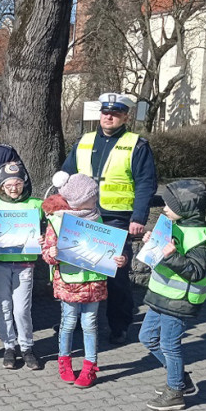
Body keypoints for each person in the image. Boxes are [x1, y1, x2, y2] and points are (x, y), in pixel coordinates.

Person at [61, 92, 158, 345]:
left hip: (116, 218)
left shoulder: (136, 144)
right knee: (83, 269)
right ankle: (83, 320)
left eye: (115, 114)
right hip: (84, 215)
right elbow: (67, 175)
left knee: (116, 274)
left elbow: (146, 184)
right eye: (105, 112)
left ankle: (119, 325)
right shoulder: (84, 141)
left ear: (125, 116)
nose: (108, 117)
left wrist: (138, 217)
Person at [41, 172, 127, 389]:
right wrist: (53, 252)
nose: (96, 198)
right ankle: (65, 361)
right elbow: (46, 254)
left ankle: (90, 366)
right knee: (68, 323)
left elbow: (109, 250)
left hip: (94, 282)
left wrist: (119, 259)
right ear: (79, 199)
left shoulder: (97, 217)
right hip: (70, 281)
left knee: (90, 324)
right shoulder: (58, 221)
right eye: (92, 195)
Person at [139, 179, 206, 411]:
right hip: (161, 294)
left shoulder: (200, 237)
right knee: (147, 337)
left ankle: (175, 392)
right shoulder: (176, 224)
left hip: (179, 300)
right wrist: (153, 242)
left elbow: (195, 271)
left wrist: (171, 256)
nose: (164, 208)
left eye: (170, 205)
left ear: (186, 209)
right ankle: (180, 379)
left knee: (170, 345)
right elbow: (167, 249)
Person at [0, 161, 44, 370]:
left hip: (25, 264)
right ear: (1, 186)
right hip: (0, 264)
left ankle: (27, 347)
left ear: (24, 183)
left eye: (17, 182)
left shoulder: (35, 205)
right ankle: (9, 346)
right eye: (8, 184)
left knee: (21, 309)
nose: (13, 187)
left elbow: (46, 230)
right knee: (4, 307)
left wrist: (44, 239)